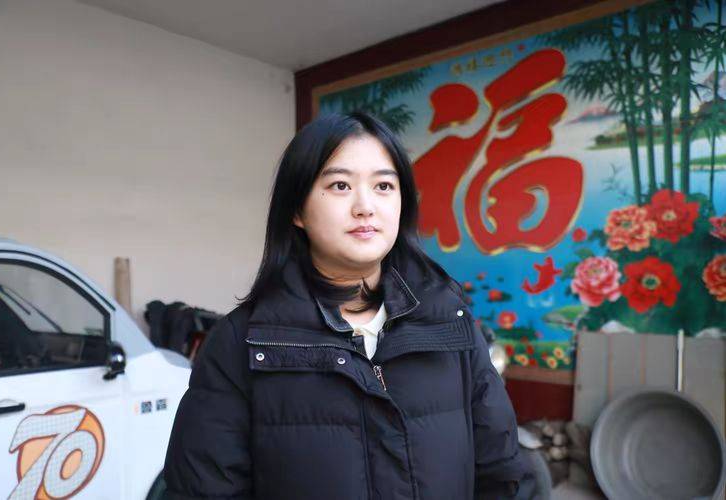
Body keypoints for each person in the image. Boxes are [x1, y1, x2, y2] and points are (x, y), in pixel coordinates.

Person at [163, 112, 531, 499]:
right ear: (297, 209)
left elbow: (501, 472)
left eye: (384, 186)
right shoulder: (242, 342)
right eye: (340, 185)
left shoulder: (450, 322)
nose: (365, 206)